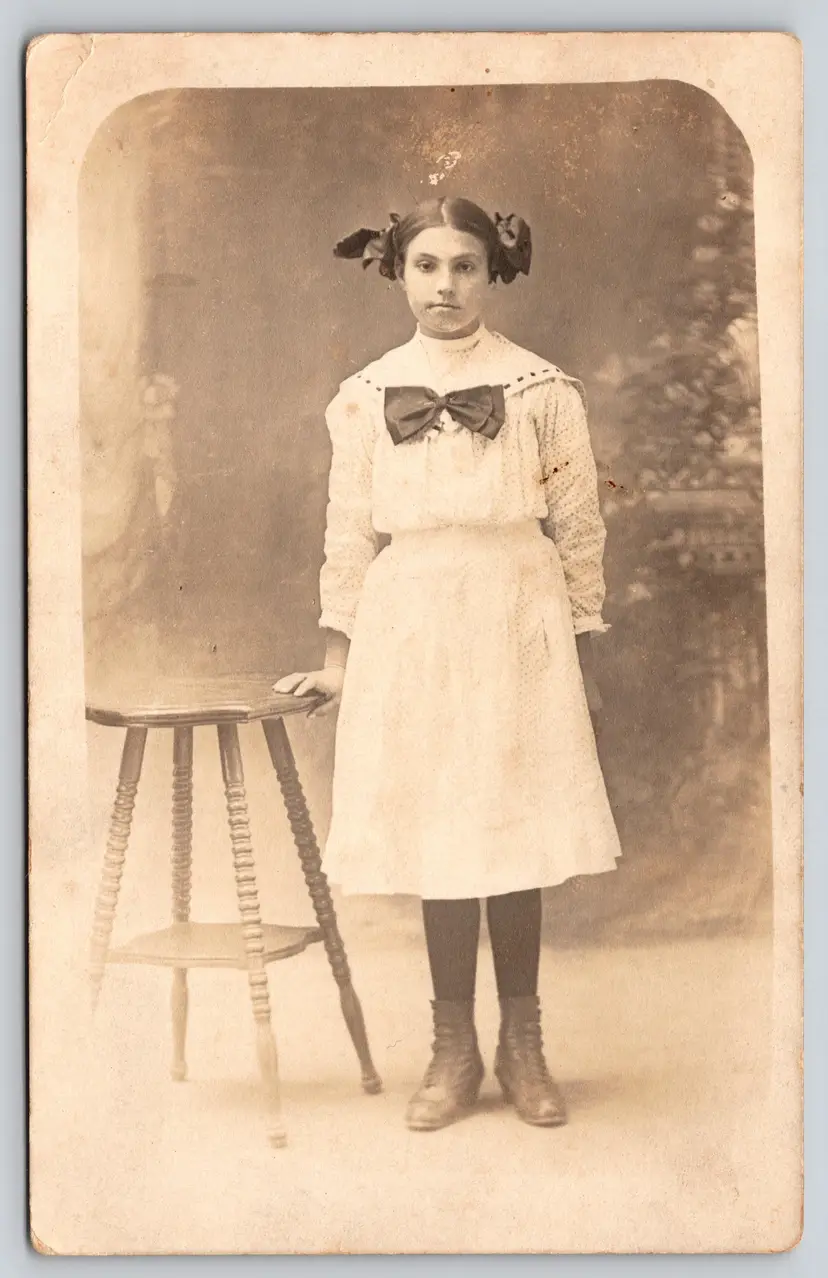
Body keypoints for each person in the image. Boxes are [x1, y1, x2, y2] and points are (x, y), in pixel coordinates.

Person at [275, 197, 622, 1131]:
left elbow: (580, 527)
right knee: (440, 830)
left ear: (493, 271)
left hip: (515, 612)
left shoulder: (541, 389)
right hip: (414, 622)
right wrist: (337, 661)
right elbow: (348, 531)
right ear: (397, 273)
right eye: (426, 266)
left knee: (509, 829)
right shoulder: (364, 393)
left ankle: (523, 1046)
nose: (446, 286)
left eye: (465, 265)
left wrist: (581, 650)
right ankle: (451, 1050)